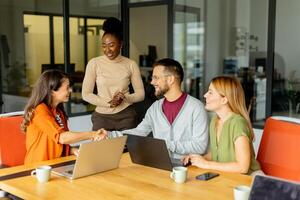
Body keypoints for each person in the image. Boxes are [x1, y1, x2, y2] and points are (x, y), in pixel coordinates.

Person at [101, 58, 209, 159]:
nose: (152, 82)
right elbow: (138, 132)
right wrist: (110, 134)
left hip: (188, 169)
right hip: (160, 165)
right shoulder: (155, 108)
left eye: (156, 77)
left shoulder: (196, 108)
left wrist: (165, 144)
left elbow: (200, 146)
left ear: (170, 79)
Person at [21, 70, 105, 164]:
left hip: (56, 164)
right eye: (67, 87)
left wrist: (73, 151)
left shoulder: (58, 112)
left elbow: (59, 143)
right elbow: (61, 138)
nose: (71, 90)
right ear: (52, 90)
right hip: (38, 169)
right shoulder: (39, 111)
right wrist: (92, 134)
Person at [183, 76, 262, 175]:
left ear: (224, 100)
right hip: (228, 176)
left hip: (250, 179)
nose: (205, 95)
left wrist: (206, 164)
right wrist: (196, 159)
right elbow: (217, 153)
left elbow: (242, 168)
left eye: (210, 92)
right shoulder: (215, 121)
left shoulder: (237, 123)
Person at [82, 17, 145, 131]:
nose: (107, 50)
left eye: (111, 45)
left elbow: (141, 94)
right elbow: (86, 94)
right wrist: (108, 103)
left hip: (126, 116)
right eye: (104, 46)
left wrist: (125, 98)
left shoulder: (130, 64)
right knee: (100, 148)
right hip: (102, 117)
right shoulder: (94, 63)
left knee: (127, 148)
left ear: (121, 44)